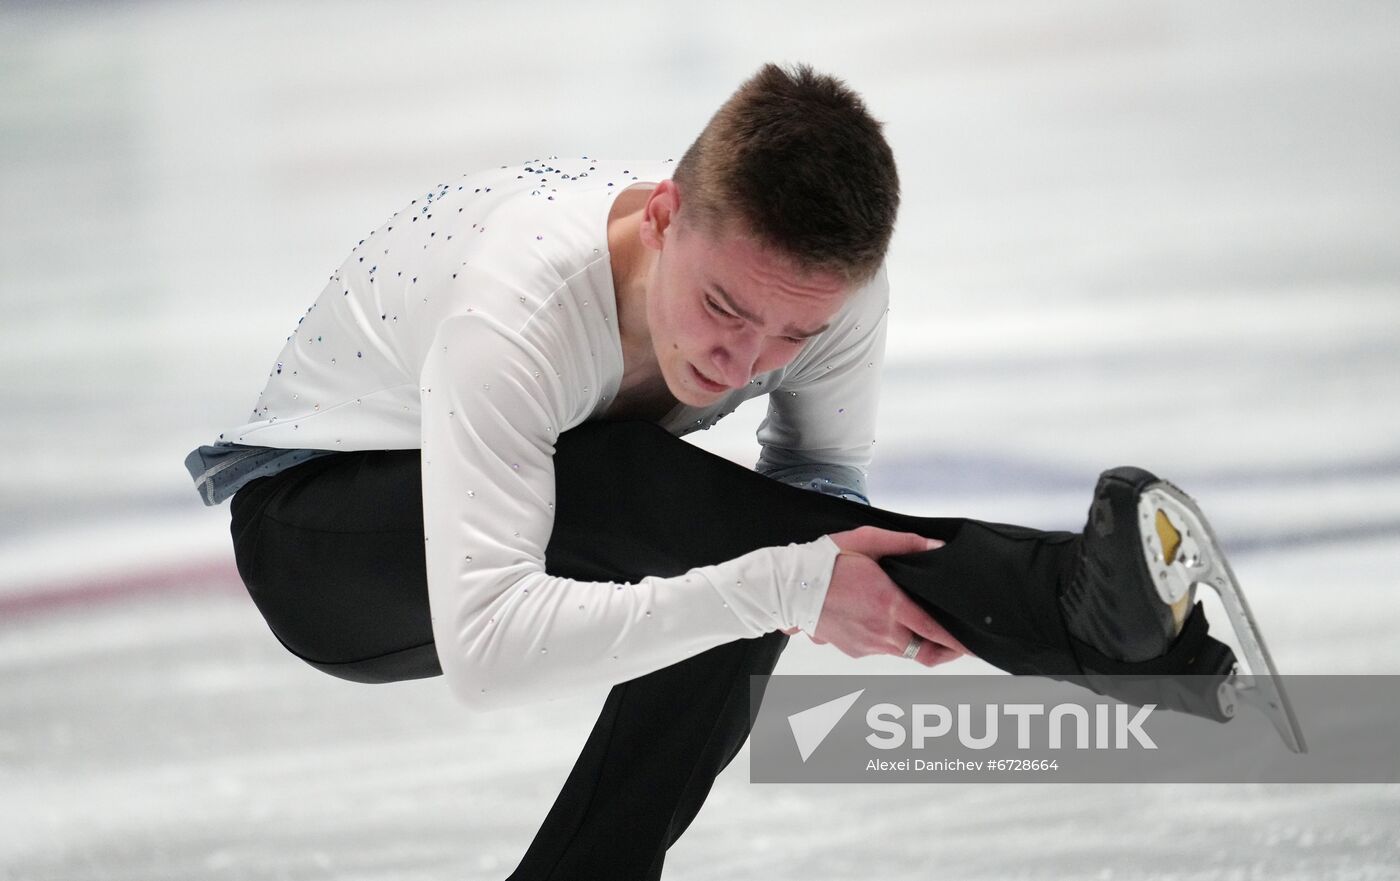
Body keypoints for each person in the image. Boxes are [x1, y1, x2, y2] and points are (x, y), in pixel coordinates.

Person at [186, 63, 1274, 880]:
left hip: (546, 493)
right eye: (720, 306)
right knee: (672, 511)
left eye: (790, 336)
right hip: (318, 541)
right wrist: (793, 579)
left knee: (748, 558)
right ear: (663, 216)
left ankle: (1102, 627)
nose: (742, 361)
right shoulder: (515, 306)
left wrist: (796, 577)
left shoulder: (827, 302)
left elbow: (808, 508)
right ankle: (1081, 613)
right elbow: (487, 650)